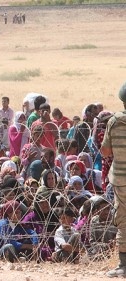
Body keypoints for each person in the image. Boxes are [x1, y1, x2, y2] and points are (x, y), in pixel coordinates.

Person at [102, 82, 126, 277]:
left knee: (123, 219)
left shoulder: (114, 121)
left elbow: (105, 150)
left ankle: (123, 264)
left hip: (120, 179)